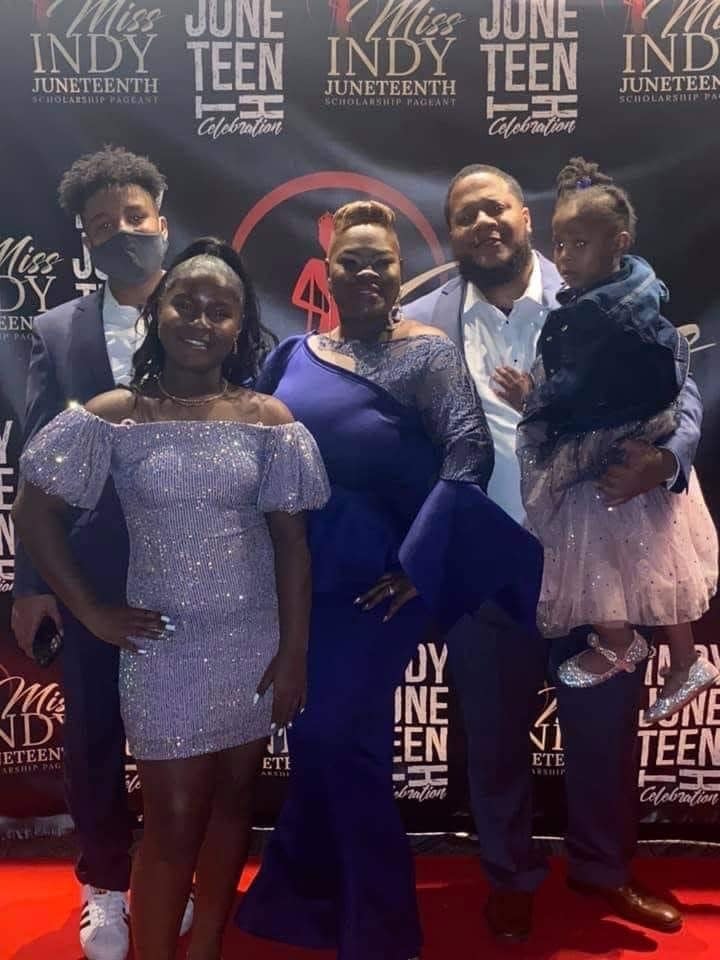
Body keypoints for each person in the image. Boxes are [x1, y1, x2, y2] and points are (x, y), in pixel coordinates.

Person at [237, 200, 543, 960]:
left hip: (380, 585)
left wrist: (420, 565)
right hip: (301, 580)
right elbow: (252, 449)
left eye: (383, 261)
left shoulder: (428, 353)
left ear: (402, 273)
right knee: (317, 742)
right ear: (326, 273)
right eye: (353, 261)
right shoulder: (293, 356)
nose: (368, 272)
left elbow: (467, 453)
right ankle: (298, 902)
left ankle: (378, 930)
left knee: (341, 741)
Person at [408, 163, 704, 939]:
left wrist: (667, 460)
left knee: (605, 732)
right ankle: (510, 875)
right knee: (494, 739)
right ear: (451, 232)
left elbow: (681, 384)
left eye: (496, 207)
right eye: (465, 213)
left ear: (526, 217)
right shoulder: (424, 317)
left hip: (598, 555)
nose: (484, 223)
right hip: (487, 563)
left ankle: (605, 872)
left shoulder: (601, 290)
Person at [13, 238, 330, 960]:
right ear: (157, 312)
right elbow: (35, 514)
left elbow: (292, 548)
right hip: (163, 648)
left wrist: (292, 657)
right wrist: (92, 612)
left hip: (251, 645)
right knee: (172, 822)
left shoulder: (270, 422)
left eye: (221, 310)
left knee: (230, 811)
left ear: (239, 328)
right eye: (186, 301)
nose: (201, 319)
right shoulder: (115, 413)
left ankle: (207, 948)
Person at [10, 146, 197, 960]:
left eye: (134, 218)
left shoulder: (212, 312)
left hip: (202, 565)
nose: (122, 234)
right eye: (101, 227)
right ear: (83, 242)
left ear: (162, 217)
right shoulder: (56, 331)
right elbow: (35, 463)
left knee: (183, 735)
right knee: (91, 735)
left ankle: (172, 874)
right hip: (91, 570)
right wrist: (29, 581)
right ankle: (105, 887)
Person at [506, 158, 718, 715]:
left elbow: (678, 383)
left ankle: (628, 645)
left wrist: (664, 460)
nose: (564, 256)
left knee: (642, 549)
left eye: (577, 243)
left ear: (616, 243)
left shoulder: (601, 309)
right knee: (648, 551)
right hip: (525, 527)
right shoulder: (619, 293)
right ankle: (678, 656)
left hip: (614, 462)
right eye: (560, 243)